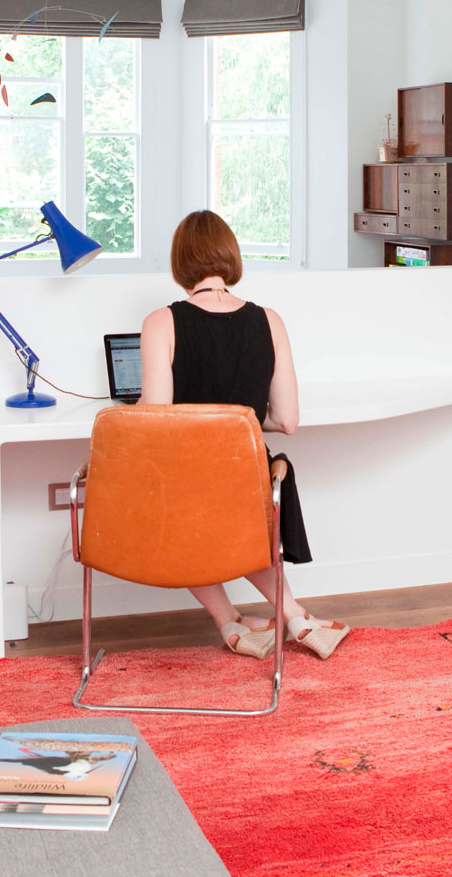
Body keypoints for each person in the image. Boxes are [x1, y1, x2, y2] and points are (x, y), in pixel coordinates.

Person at [138, 210, 349, 660]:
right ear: (229, 257)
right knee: (240, 530)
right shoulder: (268, 320)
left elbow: (154, 415)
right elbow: (286, 419)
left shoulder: (163, 321)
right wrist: (245, 418)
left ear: (180, 263)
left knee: (171, 520)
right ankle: (295, 617)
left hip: (187, 477)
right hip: (249, 475)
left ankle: (231, 624)